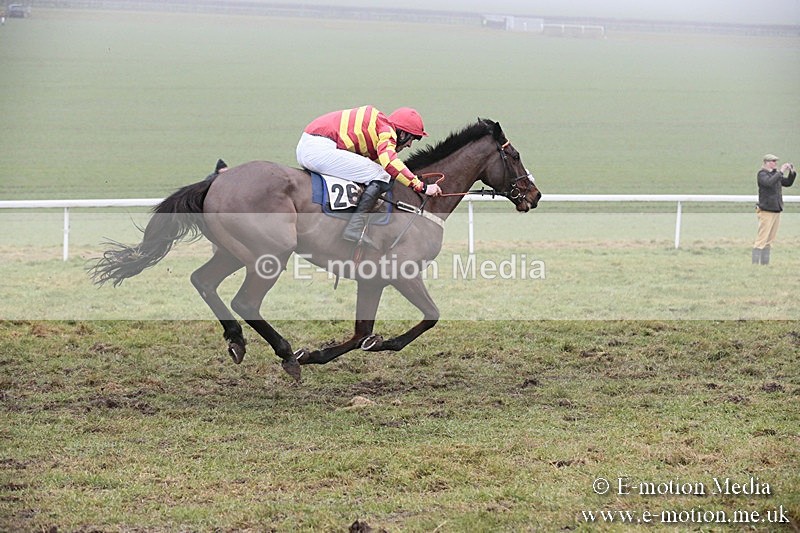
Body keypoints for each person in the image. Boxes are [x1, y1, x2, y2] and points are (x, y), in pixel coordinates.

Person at [296, 105, 442, 248]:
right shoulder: (387, 131)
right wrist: (421, 187)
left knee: (378, 172)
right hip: (318, 149)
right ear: (402, 133)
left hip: (311, 145)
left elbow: (382, 163)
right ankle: (354, 228)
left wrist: (408, 176)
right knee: (381, 175)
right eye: (412, 138)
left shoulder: (379, 127)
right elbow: (389, 163)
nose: (410, 145)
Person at [752, 154, 796, 265]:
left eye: (775, 161)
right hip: (766, 210)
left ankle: (764, 264)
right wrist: (780, 171)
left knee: (769, 239)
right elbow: (769, 183)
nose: (775, 163)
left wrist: (792, 173)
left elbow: (787, 183)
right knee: (762, 238)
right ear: (766, 162)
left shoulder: (774, 174)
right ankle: (755, 263)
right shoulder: (762, 174)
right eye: (773, 161)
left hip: (776, 209)